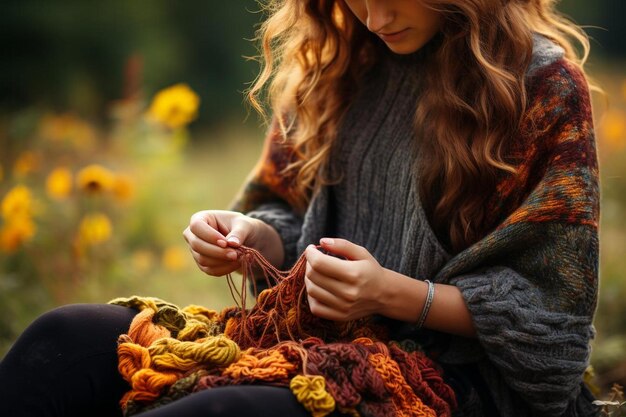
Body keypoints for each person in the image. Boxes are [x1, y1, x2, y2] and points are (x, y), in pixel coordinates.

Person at [0, 0, 600, 416]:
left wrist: (391, 293)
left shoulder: (538, 85)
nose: (375, 16)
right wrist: (254, 237)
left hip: (456, 380)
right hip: (311, 342)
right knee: (66, 337)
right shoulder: (339, 62)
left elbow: (551, 318)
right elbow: (286, 210)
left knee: (220, 409)